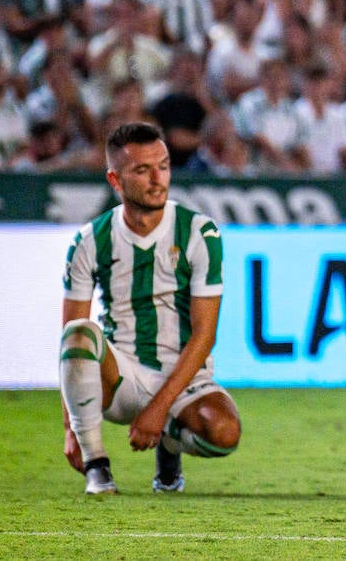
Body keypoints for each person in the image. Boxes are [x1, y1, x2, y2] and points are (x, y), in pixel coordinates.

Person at [60, 122, 241, 495]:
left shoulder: (198, 233)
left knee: (225, 433)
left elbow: (205, 335)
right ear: (115, 180)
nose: (158, 179)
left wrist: (159, 409)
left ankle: (171, 443)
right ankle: (97, 465)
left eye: (164, 165)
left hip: (185, 377)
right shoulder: (89, 241)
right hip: (122, 378)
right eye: (142, 170)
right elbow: (69, 340)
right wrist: (70, 428)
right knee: (79, 332)